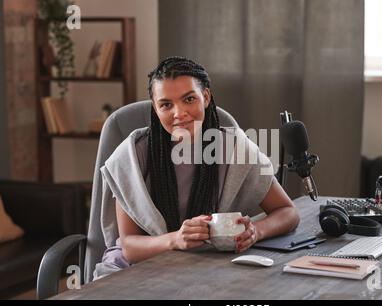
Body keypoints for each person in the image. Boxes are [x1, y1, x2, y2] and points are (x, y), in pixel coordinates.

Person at [94, 56, 299, 278]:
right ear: (155, 107)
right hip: (135, 269)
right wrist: (176, 239)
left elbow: (287, 212)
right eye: (166, 105)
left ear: (206, 97)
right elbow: (130, 247)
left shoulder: (236, 148)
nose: (179, 113)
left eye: (189, 99)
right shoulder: (133, 155)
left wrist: (256, 232)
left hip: (205, 266)